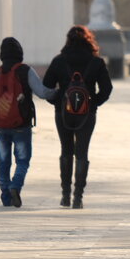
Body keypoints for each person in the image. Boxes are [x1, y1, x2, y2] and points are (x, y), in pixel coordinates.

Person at [43, 25, 114, 209]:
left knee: (66, 150)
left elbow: (46, 87)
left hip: (63, 114)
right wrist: (93, 104)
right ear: (88, 40)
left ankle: (65, 195)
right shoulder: (96, 62)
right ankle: (78, 198)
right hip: (87, 114)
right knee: (82, 152)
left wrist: (59, 102)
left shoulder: (59, 61)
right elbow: (107, 89)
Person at [0, 37, 57, 208]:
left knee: (3, 162)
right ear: (20, 53)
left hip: (1, 127)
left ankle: (6, 196)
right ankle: (15, 186)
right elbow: (42, 92)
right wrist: (58, 93)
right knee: (22, 160)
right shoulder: (25, 71)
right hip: (21, 126)